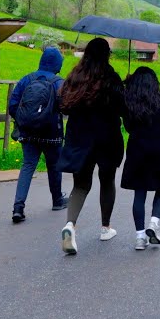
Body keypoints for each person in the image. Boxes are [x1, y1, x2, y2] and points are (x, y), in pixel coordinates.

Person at [58, 38, 126, 255]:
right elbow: (123, 108)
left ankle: (70, 225)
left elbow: (64, 107)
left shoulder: (75, 77)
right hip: (107, 138)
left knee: (80, 185)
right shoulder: (111, 78)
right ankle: (106, 228)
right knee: (107, 181)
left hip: (80, 139)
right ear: (107, 54)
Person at [120, 66, 160, 250]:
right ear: (154, 83)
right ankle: (154, 223)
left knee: (140, 193)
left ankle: (139, 238)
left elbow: (129, 128)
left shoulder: (130, 105)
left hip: (137, 153)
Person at [8, 46, 67, 223]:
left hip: (28, 133)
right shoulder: (59, 83)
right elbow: (66, 106)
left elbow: (13, 105)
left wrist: (25, 121)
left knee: (27, 166)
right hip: (51, 133)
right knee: (54, 166)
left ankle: (18, 207)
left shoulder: (27, 79)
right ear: (58, 64)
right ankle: (57, 200)